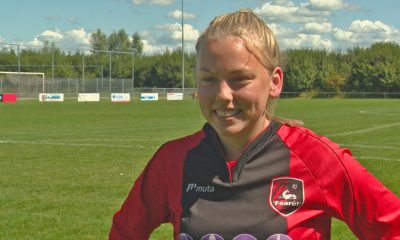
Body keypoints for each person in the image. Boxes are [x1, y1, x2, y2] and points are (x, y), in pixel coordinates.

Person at [109, 9, 400, 240]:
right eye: (209, 79)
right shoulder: (172, 161)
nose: (223, 95)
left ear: (274, 82)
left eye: (239, 79)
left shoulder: (316, 159)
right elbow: (125, 232)